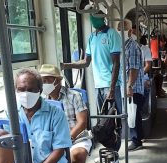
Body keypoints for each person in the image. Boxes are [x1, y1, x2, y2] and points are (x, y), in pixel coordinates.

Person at [39, 64, 91, 163]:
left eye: (47, 80)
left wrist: (67, 139)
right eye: (42, 81)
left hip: (75, 137)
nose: (44, 84)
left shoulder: (74, 96)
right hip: (52, 140)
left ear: (58, 81)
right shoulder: (41, 100)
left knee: (78, 156)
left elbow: (81, 123)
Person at [61, 14, 122, 115]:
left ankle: (121, 131)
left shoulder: (112, 34)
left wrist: (112, 87)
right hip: (98, 84)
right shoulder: (92, 37)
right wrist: (66, 65)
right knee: (102, 118)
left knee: (116, 116)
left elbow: (116, 62)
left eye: (96, 18)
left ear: (103, 18)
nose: (94, 21)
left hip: (111, 84)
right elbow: (86, 62)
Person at [117, 19, 145, 151]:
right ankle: (137, 138)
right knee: (132, 113)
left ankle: (136, 140)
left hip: (133, 87)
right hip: (127, 86)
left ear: (129, 31)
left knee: (134, 113)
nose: (119, 30)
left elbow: (134, 69)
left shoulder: (132, 47)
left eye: (122, 28)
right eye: (118, 28)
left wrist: (129, 86)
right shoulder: (122, 47)